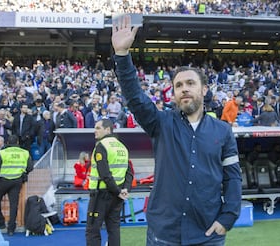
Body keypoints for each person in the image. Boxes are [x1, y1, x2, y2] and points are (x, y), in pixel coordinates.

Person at [112, 15, 242, 246]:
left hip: (207, 235)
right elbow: (135, 98)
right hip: (163, 234)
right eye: (178, 86)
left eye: (190, 84)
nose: (184, 89)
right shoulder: (161, 123)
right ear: (173, 94)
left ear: (204, 90)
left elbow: (232, 178)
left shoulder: (223, 131)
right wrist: (122, 55)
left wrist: (228, 217)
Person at [85, 119, 133, 246]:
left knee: (93, 229)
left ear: (108, 129)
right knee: (113, 229)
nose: (95, 131)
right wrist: (124, 190)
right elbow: (129, 172)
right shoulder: (122, 146)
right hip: (117, 196)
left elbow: (104, 174)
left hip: (101, 194)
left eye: (98, 128)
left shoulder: (101, 146)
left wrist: (118, 191)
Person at [0, 135, 33, 235]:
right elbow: (30, 167)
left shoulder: (2, 153)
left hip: (2, 181)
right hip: (17, 180)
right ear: (17, 142)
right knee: (14, 205)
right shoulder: (25, 153)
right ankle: (11, 229)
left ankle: (0, 223)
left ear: (7, 142)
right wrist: (23, 173)